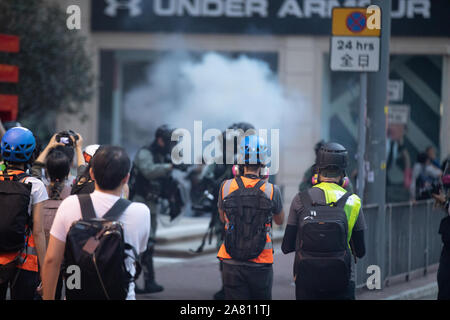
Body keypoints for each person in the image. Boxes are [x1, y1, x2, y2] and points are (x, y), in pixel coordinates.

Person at [42, 146, 150, 300]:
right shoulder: (140, 212)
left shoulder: (70, 204)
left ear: (91, 173)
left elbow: (52, 259)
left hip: (77, 292)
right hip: (120, 295)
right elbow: (138, 251)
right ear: (126, 178)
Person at [282, 142, 366, 300]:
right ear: (343, 176)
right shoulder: (353, 201)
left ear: (317, 172)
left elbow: (286, 246)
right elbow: (360, 251)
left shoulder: (300, 199)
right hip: (342, 279)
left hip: (306, 281)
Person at [217, 134, 284, 300]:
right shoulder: (272, 190)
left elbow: (223, 218)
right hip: (261, 261)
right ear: (263, 164)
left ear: (239, 164)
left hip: (230, 261)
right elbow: (279, 221)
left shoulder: (225, 187)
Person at [198, 122, 256, 300]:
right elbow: (206, 180)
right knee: (224, 249)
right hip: (225, 212)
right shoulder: (221, 161)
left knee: (248, 247)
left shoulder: (251, 162)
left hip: (247, 213)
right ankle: (227, 286)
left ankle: (243, 286)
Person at [0, 127, 48, 300]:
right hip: (24, 261)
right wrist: (45, 269)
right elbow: (38, 232)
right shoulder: (34, 184)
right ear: (31, 154)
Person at [129, 125, 174, 294]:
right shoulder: (145, 153)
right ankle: (131, 281)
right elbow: (148, 171)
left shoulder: (163, 154)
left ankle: (149, 281)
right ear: (160, 140)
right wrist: (169, 167)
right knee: (137, 243)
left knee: (150, 243)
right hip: (139, 203)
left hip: (152, 205)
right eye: (169, 141)